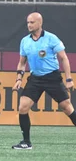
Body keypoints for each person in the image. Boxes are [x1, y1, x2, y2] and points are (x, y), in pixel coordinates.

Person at [12, 12, 75, 149]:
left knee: (67, 107)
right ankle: (26, 142)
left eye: (32, 22)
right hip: (35, 79)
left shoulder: (51, 38)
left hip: (52, 77)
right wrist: (19, 78)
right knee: (22, 107)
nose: (29, 25)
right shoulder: (25, 41)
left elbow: (64, 58)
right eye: (28, 22)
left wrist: (69, 79)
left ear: (40, 23)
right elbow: (22, 62)